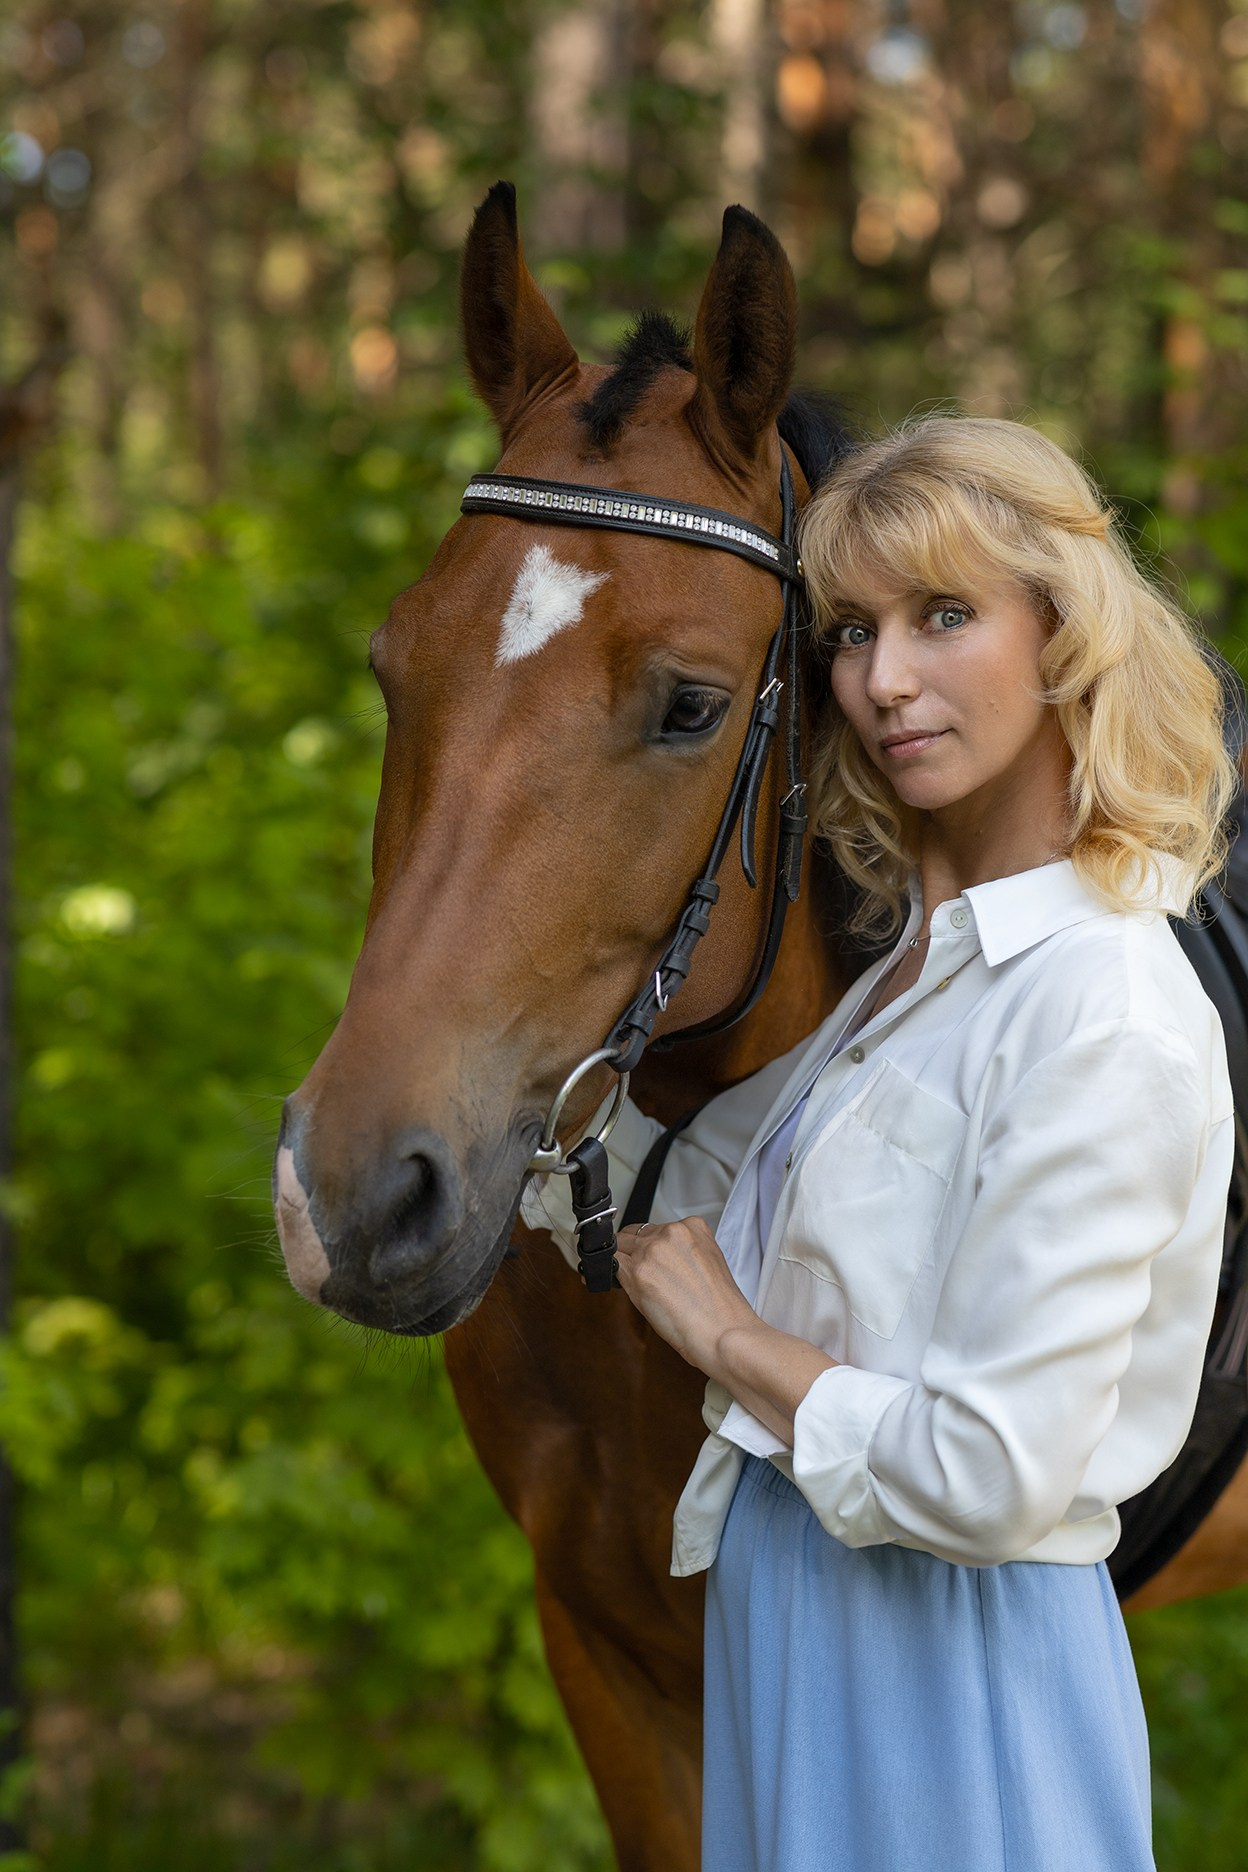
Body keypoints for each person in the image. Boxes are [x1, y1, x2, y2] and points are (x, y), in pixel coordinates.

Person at [523, 414, 1237, 1872]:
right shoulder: (914, 981)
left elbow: (990, 1473)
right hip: (801, 1622)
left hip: (949, 1660)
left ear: (1064, 635)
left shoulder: (1102, 1008)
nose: (884, 679)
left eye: (946, 616)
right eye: (851, 631)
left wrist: (731, 1344)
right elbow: (673, 1182)